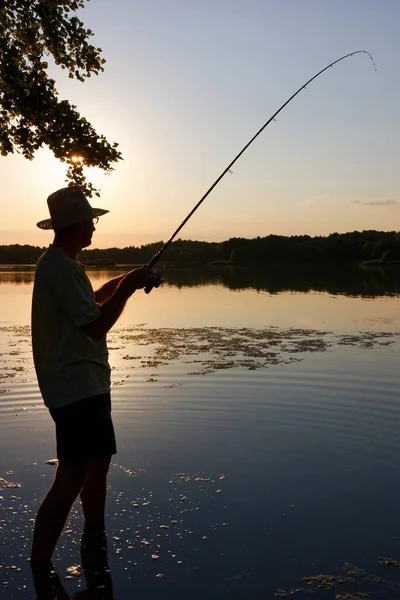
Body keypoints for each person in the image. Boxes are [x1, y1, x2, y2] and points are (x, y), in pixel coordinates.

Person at [30, 186, 156, 594]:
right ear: (74, 224)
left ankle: (94, 538)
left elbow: (90, 303)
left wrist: (124, 280)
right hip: (75, 388)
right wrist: (131, 288)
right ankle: (40, 564)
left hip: (86, 385)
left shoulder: (64, 264)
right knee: (71, 477)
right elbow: (96, 326)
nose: (93, 226)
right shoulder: (60, 268)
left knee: (98, 464)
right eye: (90, 220)